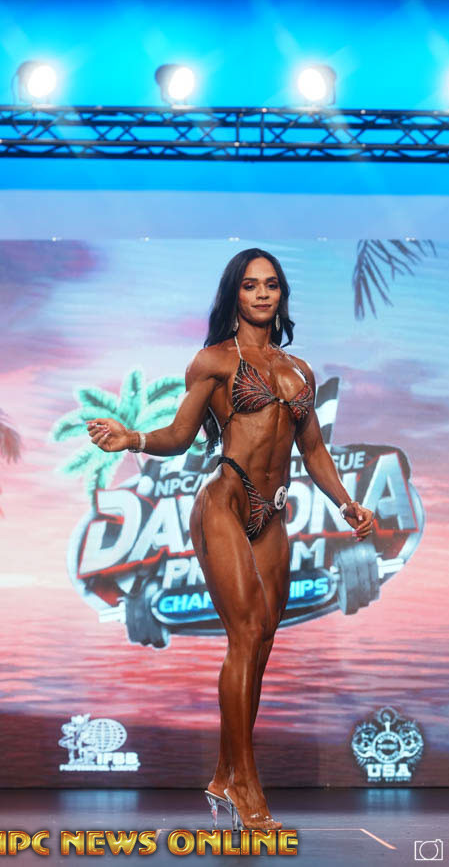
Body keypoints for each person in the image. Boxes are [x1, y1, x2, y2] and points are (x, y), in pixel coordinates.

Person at [87, 248, 374, 830]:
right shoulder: (214, 361)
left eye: (271, 284)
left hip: (273, 513)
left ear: (281, 294)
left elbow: (313, 449)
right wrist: (132, 439)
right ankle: (246, 784)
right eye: (250, 285)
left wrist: (347, 504)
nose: (262, 293)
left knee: (260, 643)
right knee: (244, 633)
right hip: (224, 500)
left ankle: (222, 774)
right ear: (234, 295)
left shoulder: (300, 371)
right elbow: (179, 434)